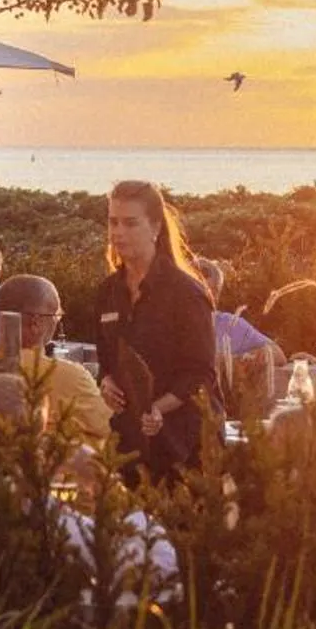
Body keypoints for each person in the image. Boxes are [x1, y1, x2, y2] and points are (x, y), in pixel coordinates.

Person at [95, 180, 218, 484]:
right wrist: (106, 382)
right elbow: (106, 361)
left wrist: (158, 409)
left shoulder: (186, 294)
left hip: (183, 445)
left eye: (130, 223)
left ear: (155, 227)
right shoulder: (107, 292)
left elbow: (201, 373)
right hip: (128, 443)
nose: (118, 232)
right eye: (113, 222)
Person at [0, 275, 110, 454]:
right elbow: (110, 428)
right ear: (36, 322)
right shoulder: (70, 377)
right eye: (56, 316)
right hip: (53, 475)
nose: (57, 322)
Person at [193, 257, 281, 365]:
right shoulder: (169, 326)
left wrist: (235, 360)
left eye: (211, 292)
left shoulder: (230, 324)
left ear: (216, 296)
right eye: (196, 290)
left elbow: (277, 354)